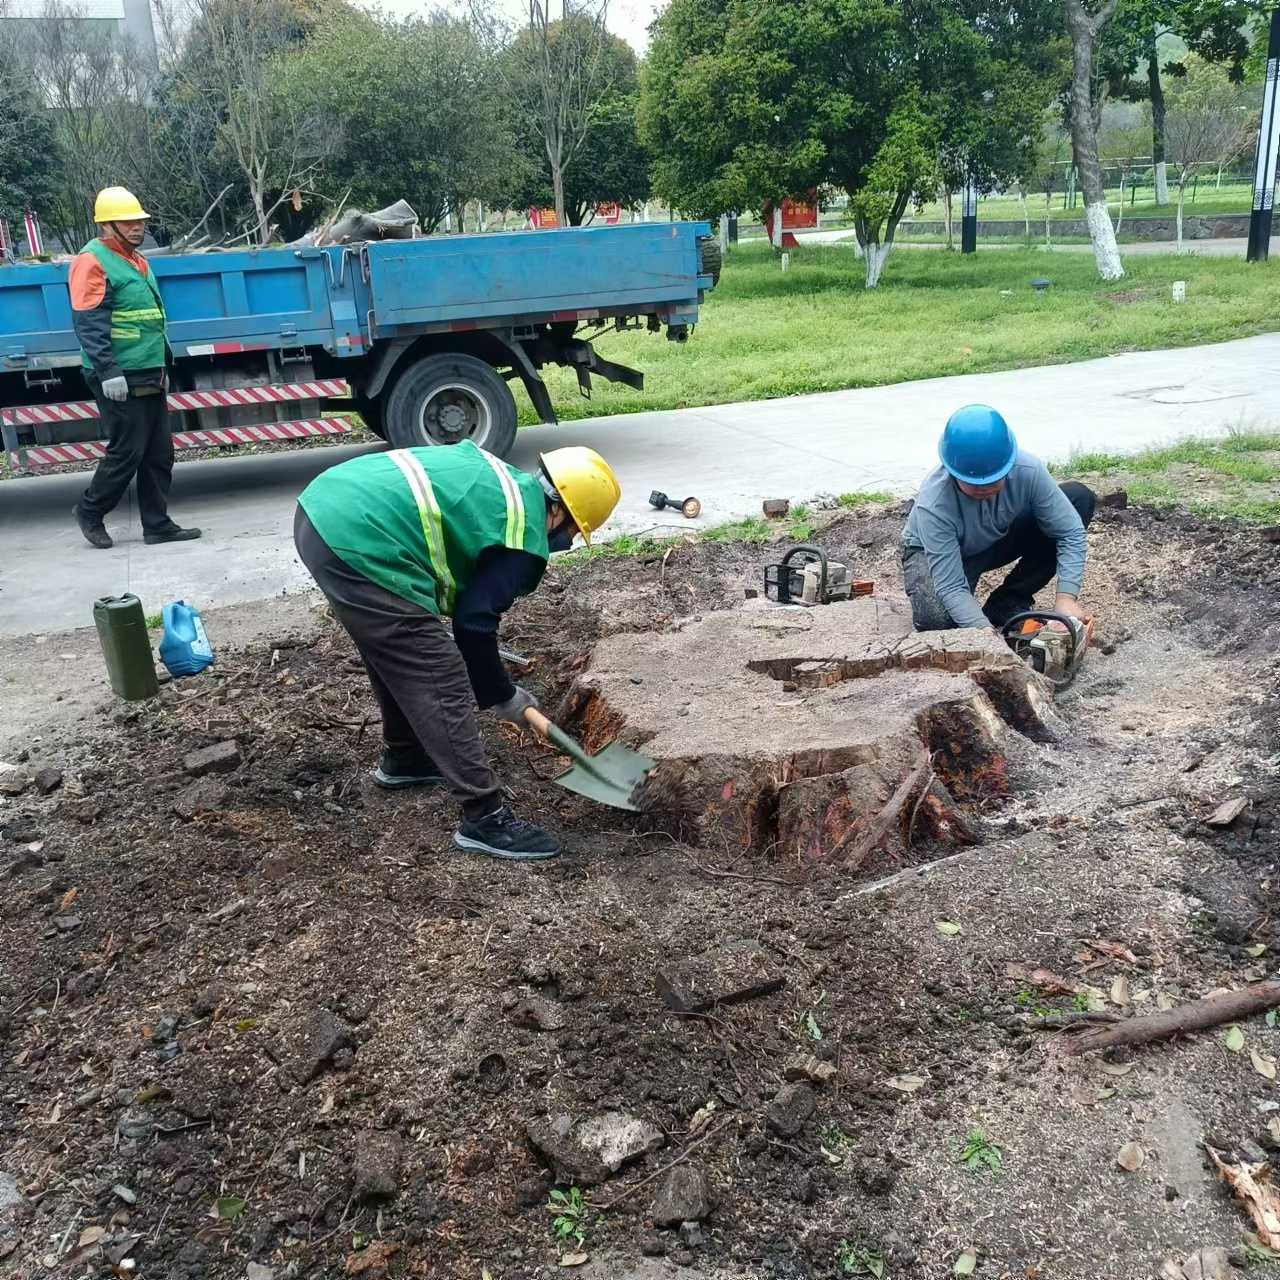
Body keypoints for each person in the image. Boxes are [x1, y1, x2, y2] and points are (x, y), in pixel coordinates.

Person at [293, 438, 621, 861]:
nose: (568, 542)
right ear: (558, 510)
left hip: (324, 510)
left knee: (399, 644)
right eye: (575, 531)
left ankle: (407, 758)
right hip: (359, 534)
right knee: (438, 673)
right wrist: (503, 695)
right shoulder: (523, 535)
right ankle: (486, 817)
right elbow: (473, 623)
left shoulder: (504, 488)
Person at [69, 186, 200, 550]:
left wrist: (162, 365)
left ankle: (157, 525)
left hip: (148, 369)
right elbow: (88, 324)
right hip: (118, 374)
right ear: (106, 225)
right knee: (128, 450)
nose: (137, 227)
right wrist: (108, 371)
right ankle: (89, 511)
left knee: (159, 452)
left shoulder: (136, 260)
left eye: (139, 221)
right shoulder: (92, 261)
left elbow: (147, 319)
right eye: (127, 222)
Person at [902, 405, 1095, 633]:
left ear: (1008, 462)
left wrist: (1066, 598)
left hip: (994, 538)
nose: (985, 486)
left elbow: (1069, 531)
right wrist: (985, 633)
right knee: (937, 622)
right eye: (974, 482)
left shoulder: (1028, 469)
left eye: (995, 478)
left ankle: (1006, 602)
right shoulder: (933, 504)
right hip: (936, 552)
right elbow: (951, 586)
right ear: (951, 470)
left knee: (1077, 498)